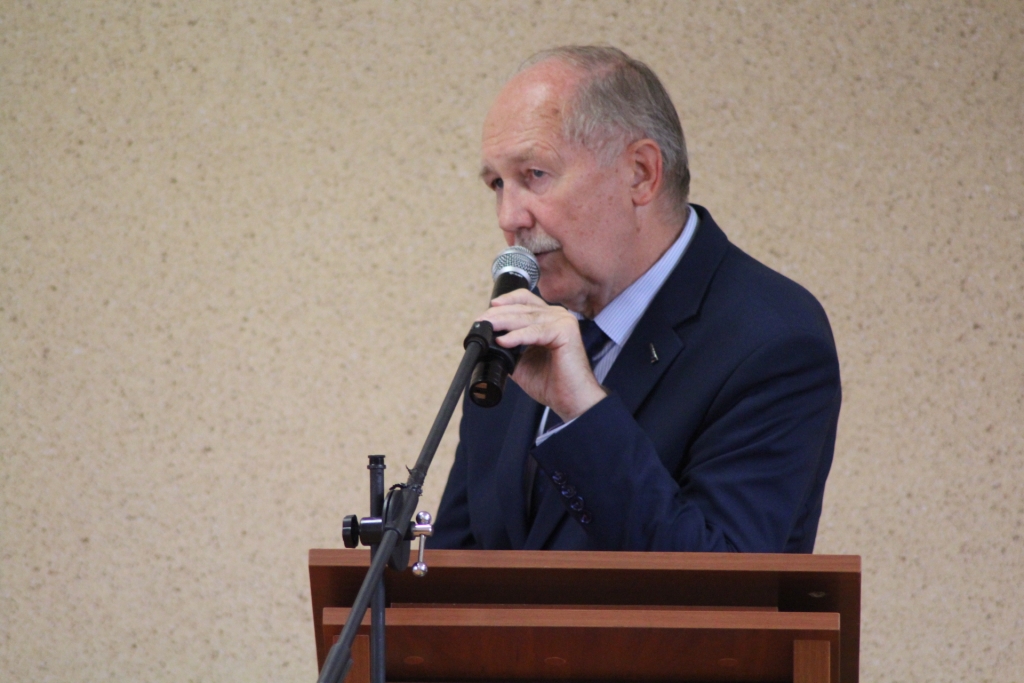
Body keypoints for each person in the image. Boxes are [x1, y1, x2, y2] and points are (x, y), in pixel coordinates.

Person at [431, 46, 841, 553]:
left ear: (640, 173)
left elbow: (722, 579)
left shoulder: (773, 340)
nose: (508, 216)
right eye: (497, 183)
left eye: (535, 174)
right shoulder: (519, 332)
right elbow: (455, 567)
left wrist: (583, 410)